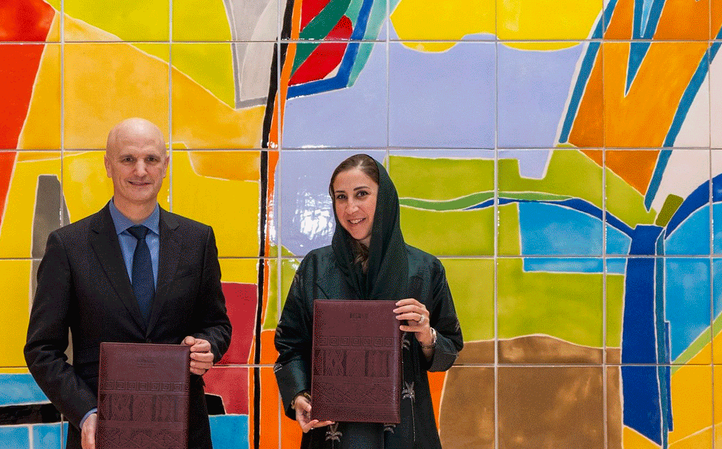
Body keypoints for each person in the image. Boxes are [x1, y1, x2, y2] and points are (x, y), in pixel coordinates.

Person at [24, 118, 232, 449]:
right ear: (108, 165)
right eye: (127, 159)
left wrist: (207, 347)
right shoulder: (68, 246)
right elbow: (42, 349)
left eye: (151, 159)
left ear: (165, 166)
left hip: (184, 432)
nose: (140, 170)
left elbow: (216, 324)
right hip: (100, 432)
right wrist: (86, 412)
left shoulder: (198, 240)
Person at [274, 153, 464, 448]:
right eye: (341, 197)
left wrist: (427, 335)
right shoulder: (316, 267)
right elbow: (290, 346)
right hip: (332, 434)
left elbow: (449, 351)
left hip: (406, 432)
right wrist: (299, 395)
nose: (351, 208)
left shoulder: (424, 270)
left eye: (362, 194)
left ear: (385, 197)